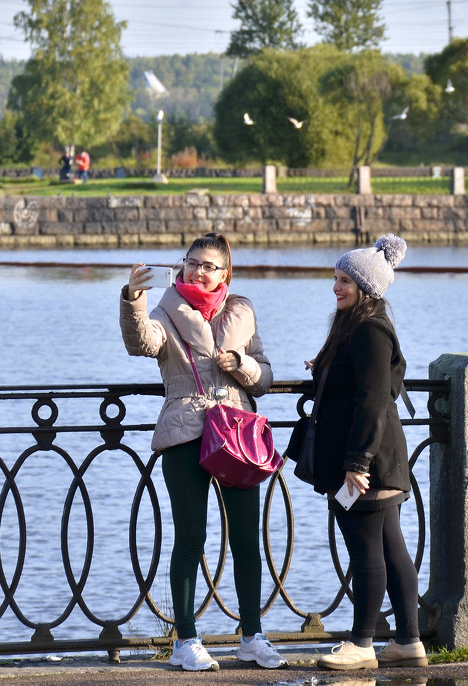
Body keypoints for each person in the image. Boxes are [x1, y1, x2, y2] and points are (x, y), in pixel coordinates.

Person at [120, 232, 287, 672]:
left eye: (208, 265)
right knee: (191, 537)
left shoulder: (242, 311)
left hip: (235, 435)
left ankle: (252, 635)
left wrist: (242, 364)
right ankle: (186, 640)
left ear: (224, 272)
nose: (197, 270)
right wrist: (133, 297)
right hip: (185, 432)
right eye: (191, 262)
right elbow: (141, 343)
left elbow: (265, 376)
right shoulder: (166, 308)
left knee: (248, 539)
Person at [285, 233, 427, 672]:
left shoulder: (371, 330)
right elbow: (368, 383)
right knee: (390, 550)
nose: (336, 287)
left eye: (345, 280)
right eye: (336, 277)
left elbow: (372, 399)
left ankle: (362, 644)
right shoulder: (359, 327)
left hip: (368, 462)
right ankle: (408, 641)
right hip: (376, 459)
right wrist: (325, 366)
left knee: (367, 553)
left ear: (367, 287)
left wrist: (356, 465)